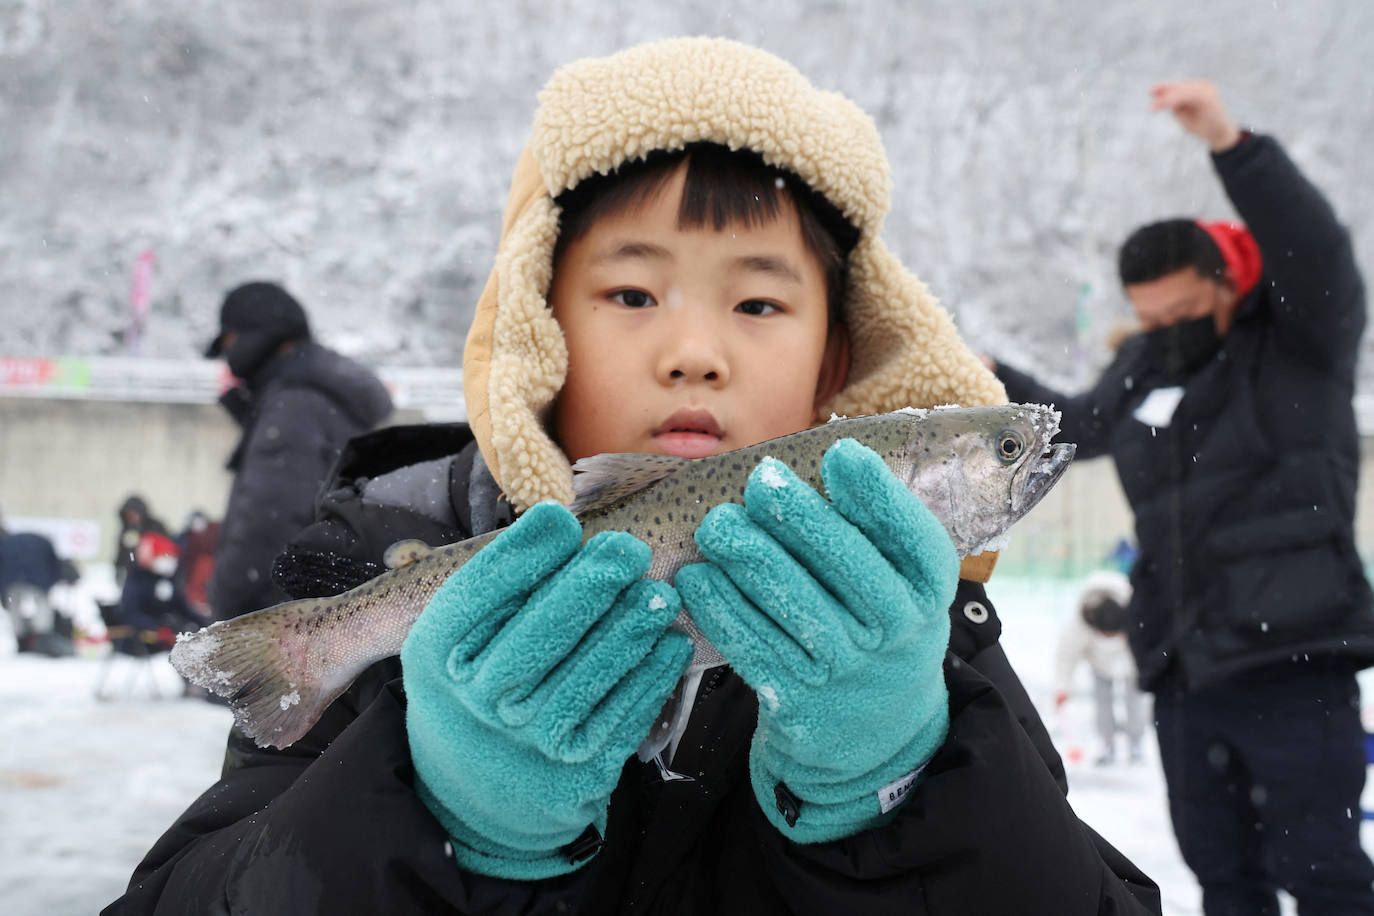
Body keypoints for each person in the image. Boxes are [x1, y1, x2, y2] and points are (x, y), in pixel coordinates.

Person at [108, 39, 1160, 914]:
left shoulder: (920, 631)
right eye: (632, 296)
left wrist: (895, 777)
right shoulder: (386, 539)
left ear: (838, 357)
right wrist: (443, 809)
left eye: (758, 304)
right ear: (538, 325)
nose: (693, 353)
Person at [990, 80, 1374, 914]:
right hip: (1185, 671)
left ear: (1227, 286)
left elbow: (1319, 254)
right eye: (1151, 316)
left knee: (1326, 874)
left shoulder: (1299, 349)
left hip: (1293, 663)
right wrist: (976, 367)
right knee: (1221, 876)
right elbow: (1071, 427)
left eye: (1186, 310)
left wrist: (1236, 148)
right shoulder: (1143, 369)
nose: (1170, 329)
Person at [203, 280, 393, 621]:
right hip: (315, 617)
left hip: (278, 626)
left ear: (258, 337)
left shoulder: (294, 406)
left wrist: (226, 608)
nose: (228, 360)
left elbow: (269, 522)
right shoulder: (317, 399)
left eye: (230, 341)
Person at [1054, 569, 1147, 766]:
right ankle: (1107, 743)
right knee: (1102, 698)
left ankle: (1136, 742)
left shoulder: (1134, 610)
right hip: (1098, 663)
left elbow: (1146, 643)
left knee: (1135, 696)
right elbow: (1066, 657)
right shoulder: (1079, 625)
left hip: (1131, 659)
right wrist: (1063, 687)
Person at [0, 518, 73, 656]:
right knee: (41, 604)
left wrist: (3, 593)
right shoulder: (41, 542)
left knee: (14, 604)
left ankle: (22, 639)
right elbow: (54, 564)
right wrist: (50, 584)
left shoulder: (7, 543)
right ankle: (42, 636)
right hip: (37, 579)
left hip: (13, 579)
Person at [113, 494, 165, 589]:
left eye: (134, 514)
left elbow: (167, 548)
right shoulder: (126, 531)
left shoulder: (155, 527)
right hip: (133, 575)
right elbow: (122, 554)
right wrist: (119, 568)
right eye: (129, 515)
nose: (132, 518)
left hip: (155, 574)